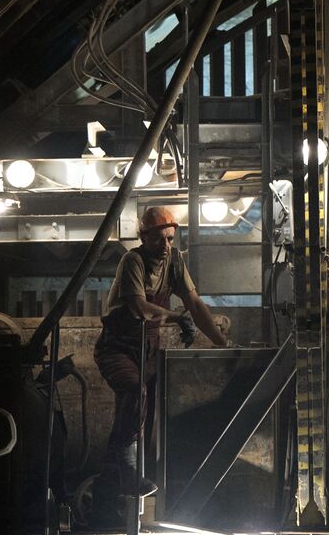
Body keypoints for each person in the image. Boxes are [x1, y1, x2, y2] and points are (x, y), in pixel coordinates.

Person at [94, 206, 228, 497]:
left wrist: (223, 343)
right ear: (143, 237)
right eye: (158, 239)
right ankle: (127, 467)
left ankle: (110, 487)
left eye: (170, 239)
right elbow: (140, 308)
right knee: (134, 390)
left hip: (148, 349)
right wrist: (177, 317)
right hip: (116, 347)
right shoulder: (133, 261)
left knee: (142, 415)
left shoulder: (175, 261)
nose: (166, 246)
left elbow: (194, 304)